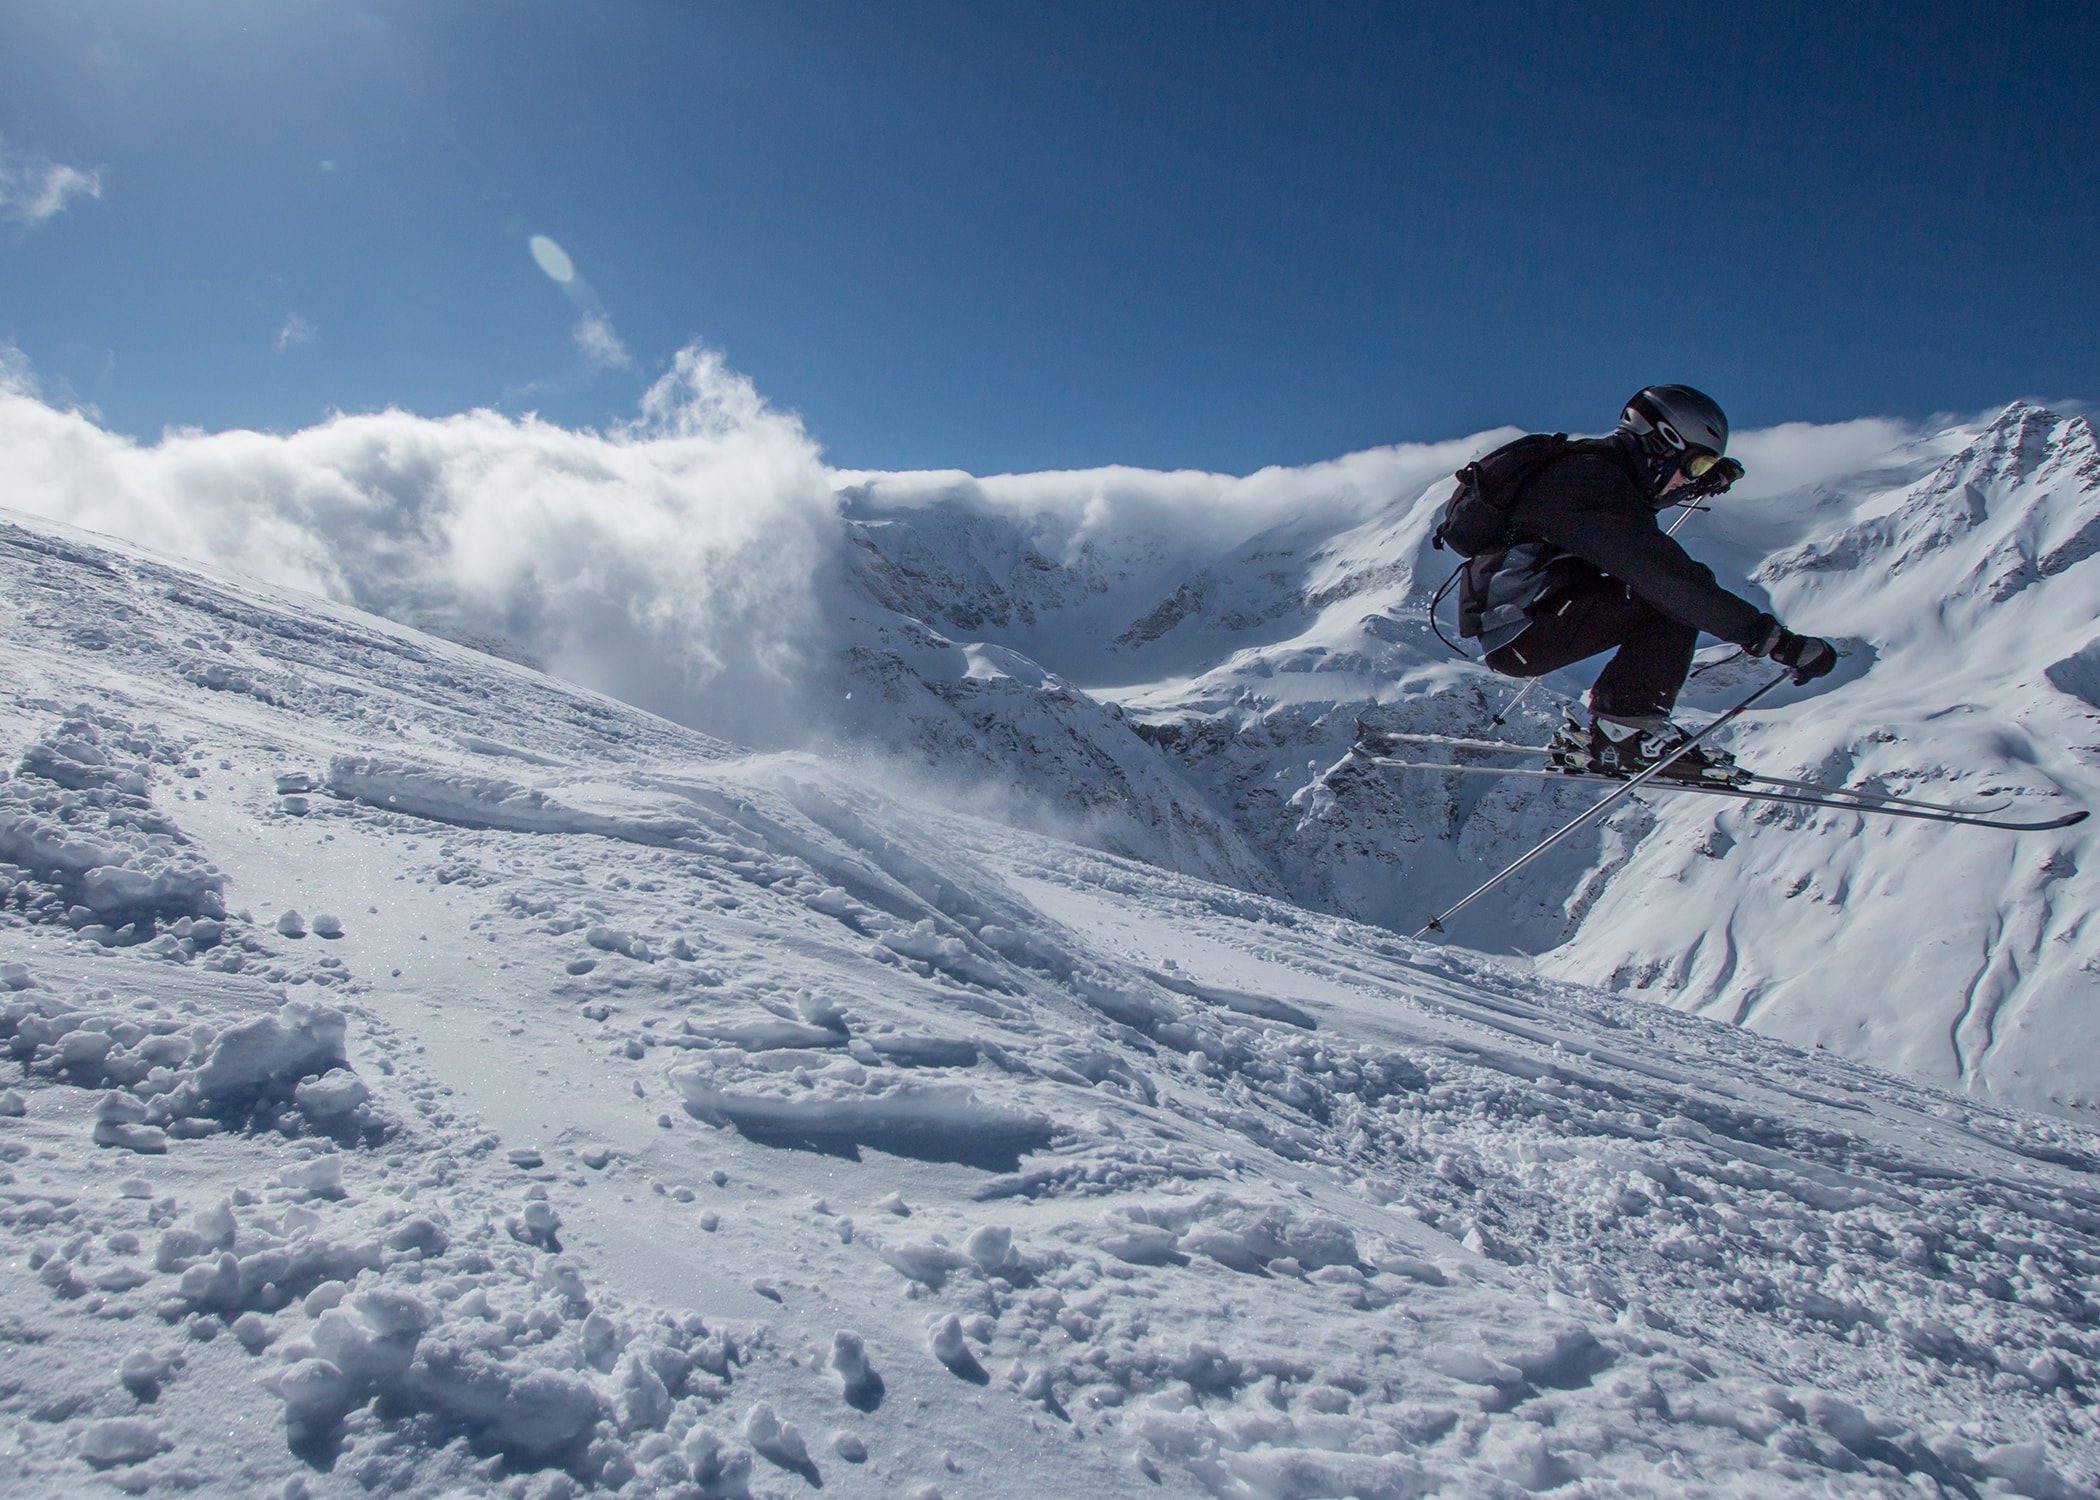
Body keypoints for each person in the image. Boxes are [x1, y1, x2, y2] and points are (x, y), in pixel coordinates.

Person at [1456, 384, 1837, 781]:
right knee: (1672, 597)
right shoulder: (1590, 484)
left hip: (1524, 619)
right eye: (1696, 465)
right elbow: (1668, 579)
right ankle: (1625, 728)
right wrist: (1773, 639)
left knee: (1672, 594)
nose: (1689, 479)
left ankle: (1621, 728)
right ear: (1664, 443)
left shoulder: (1595, 473)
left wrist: (1698, 483)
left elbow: (1630, 506)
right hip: (1524, 628)